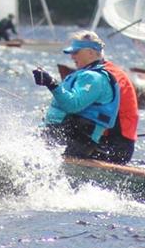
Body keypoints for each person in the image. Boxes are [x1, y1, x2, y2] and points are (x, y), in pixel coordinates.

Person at [33, 30, 137, 164]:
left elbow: (74, 104)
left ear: (90, 52)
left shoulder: (98, 76)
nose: (71, 56)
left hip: (114, 144)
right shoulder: (90, 72)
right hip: (82, 134)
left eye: (75, 52)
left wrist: (51, 83)